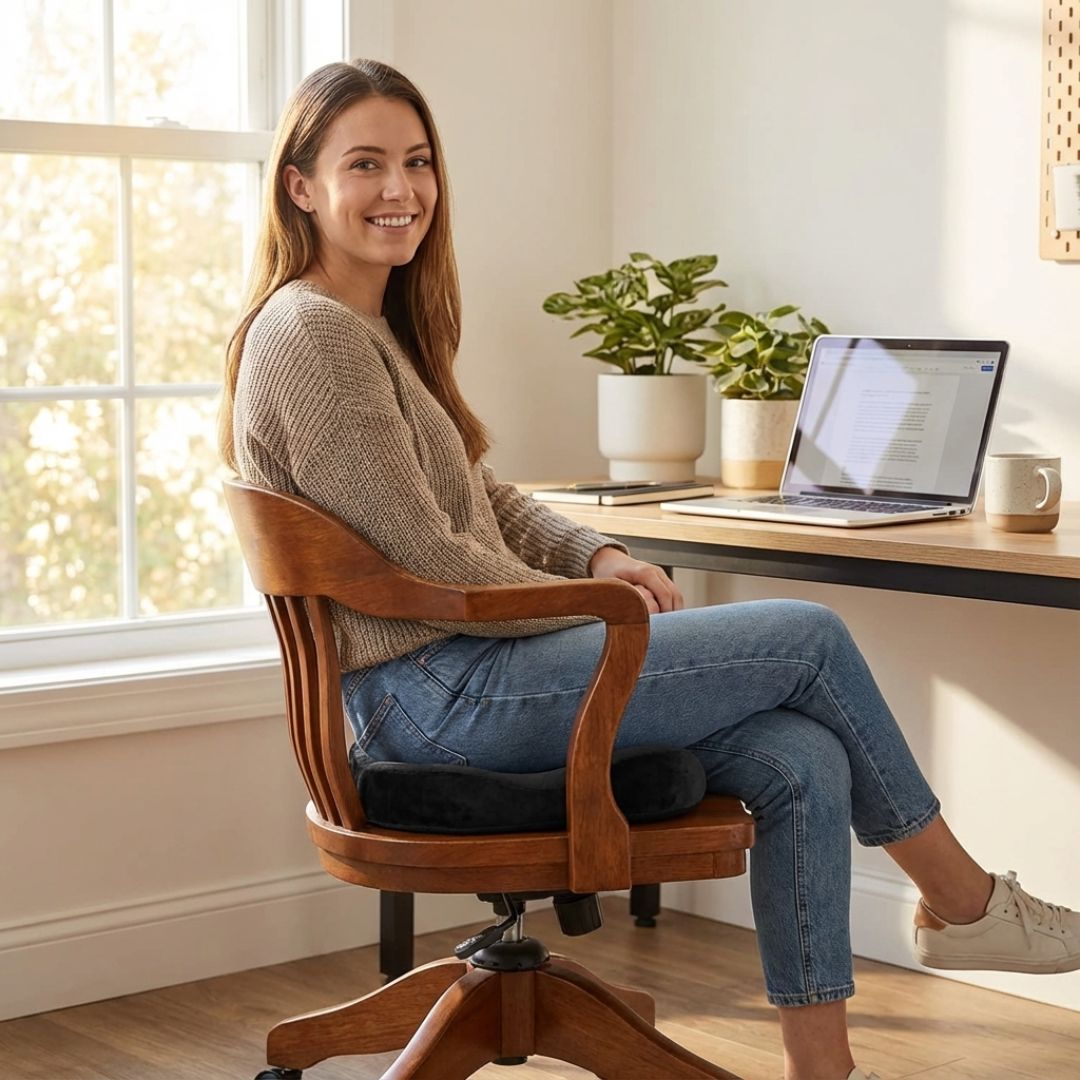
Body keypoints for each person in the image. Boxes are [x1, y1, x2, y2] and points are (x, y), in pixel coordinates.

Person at [221, 59, 1079, 1080]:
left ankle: (825, 1070)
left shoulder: (369, 327)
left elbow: (479, 504)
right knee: (812, 634)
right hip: (441, 697)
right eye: (365, 164)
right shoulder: (312, 332)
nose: (400, 189)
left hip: (460, 676)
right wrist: (596, 611)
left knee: (803, 755)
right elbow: (432, 562)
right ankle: (966, 902)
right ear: (300, 184)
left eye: (417, 162)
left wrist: (600, 551)